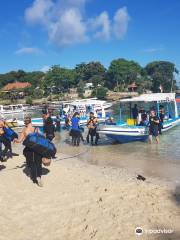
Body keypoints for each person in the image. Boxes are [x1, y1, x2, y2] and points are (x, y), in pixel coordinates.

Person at [14, 117, 44, 187]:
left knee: (32, 164)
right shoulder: (36, 128)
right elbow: (42, 136)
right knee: (38, 163)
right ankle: (39, 176)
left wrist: (15, 139)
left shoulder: (24, 130)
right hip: (38, 148)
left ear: (25, 122)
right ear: (31, 121)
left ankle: (34, 178)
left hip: (29, 149)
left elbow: (19, 140)